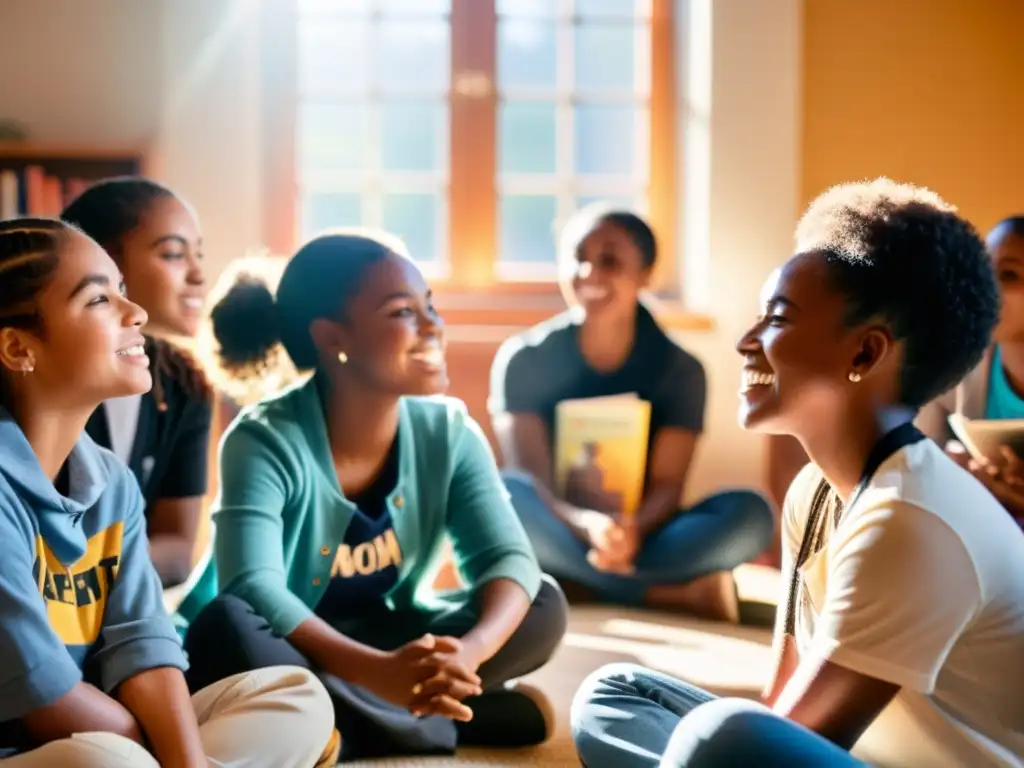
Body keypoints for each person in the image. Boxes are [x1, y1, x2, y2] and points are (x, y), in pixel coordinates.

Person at [571, 179, 1024, 767]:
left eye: (776, 319)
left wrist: (722, 744)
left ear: (863, 354)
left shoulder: (912, 518)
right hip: (854, 756)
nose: (745, 342)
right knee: (615, 696)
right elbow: (780, 703)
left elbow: (793, 736)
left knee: (722, 737)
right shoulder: (812, 493)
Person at [180, 229, 569, 762]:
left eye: (429, 306)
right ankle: (433, 727)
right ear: (332, 337)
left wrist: (467, 654)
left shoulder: (449, 430)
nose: (433, 326)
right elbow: (254, 588)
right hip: (281, 645)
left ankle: (343, 727)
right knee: (227, 622)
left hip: (380, 633)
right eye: (402, 312)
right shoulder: (261, 438)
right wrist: (378, 675)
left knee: (539, 603)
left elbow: (507, 560)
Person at [0, 218, 339, 767]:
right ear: (18, 347)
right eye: (97, 300)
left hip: (101, 730)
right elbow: (44, 695)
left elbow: (143, 646)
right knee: (110, 761)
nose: (135, 315)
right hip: (31, 744)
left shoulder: (113, 482)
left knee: (300, 698)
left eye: (123, 293)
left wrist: (183, 761)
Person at [490, 205, 773, 623]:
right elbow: (531, 479)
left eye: (610, 260)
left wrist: (630, 531)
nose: (588, 273)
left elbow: (669, 485)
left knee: (751, 514)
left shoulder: (681, 369)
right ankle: (665, 591)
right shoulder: (524, 359)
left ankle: (576, 584)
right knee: (505, 495)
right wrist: (588, 526)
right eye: (577, 258)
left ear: (645, 274)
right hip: (558, 528)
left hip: (647, 537)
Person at [61, 177, 211, 589]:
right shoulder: (44, 372)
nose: (199, 274)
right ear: (103, 263)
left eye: (199, 254)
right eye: (174, 254)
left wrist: (83, 574)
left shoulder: (187, 383)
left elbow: (178, 552)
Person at [918, 215, 1024, 527]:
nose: (986, 289)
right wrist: (956, 473)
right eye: (984, 272)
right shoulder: (957, 366)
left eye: (1009, 274)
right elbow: (918, 458)